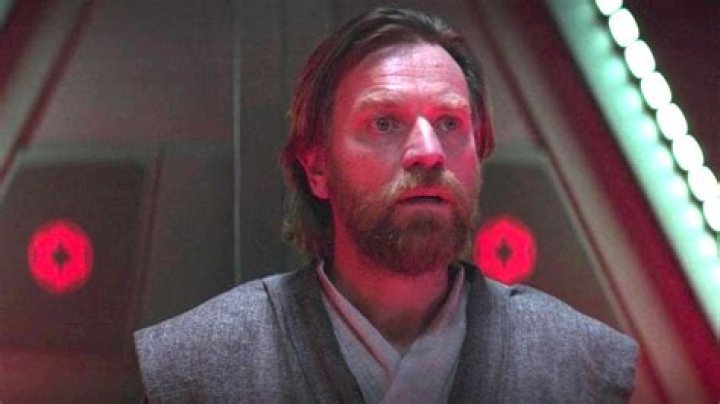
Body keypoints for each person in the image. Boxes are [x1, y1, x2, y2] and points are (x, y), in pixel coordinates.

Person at [134, 7, 637, 403]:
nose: (429, 152)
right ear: (317, 167)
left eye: (449, 123)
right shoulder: (196, 368)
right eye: (384, 123)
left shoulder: (583, 366)